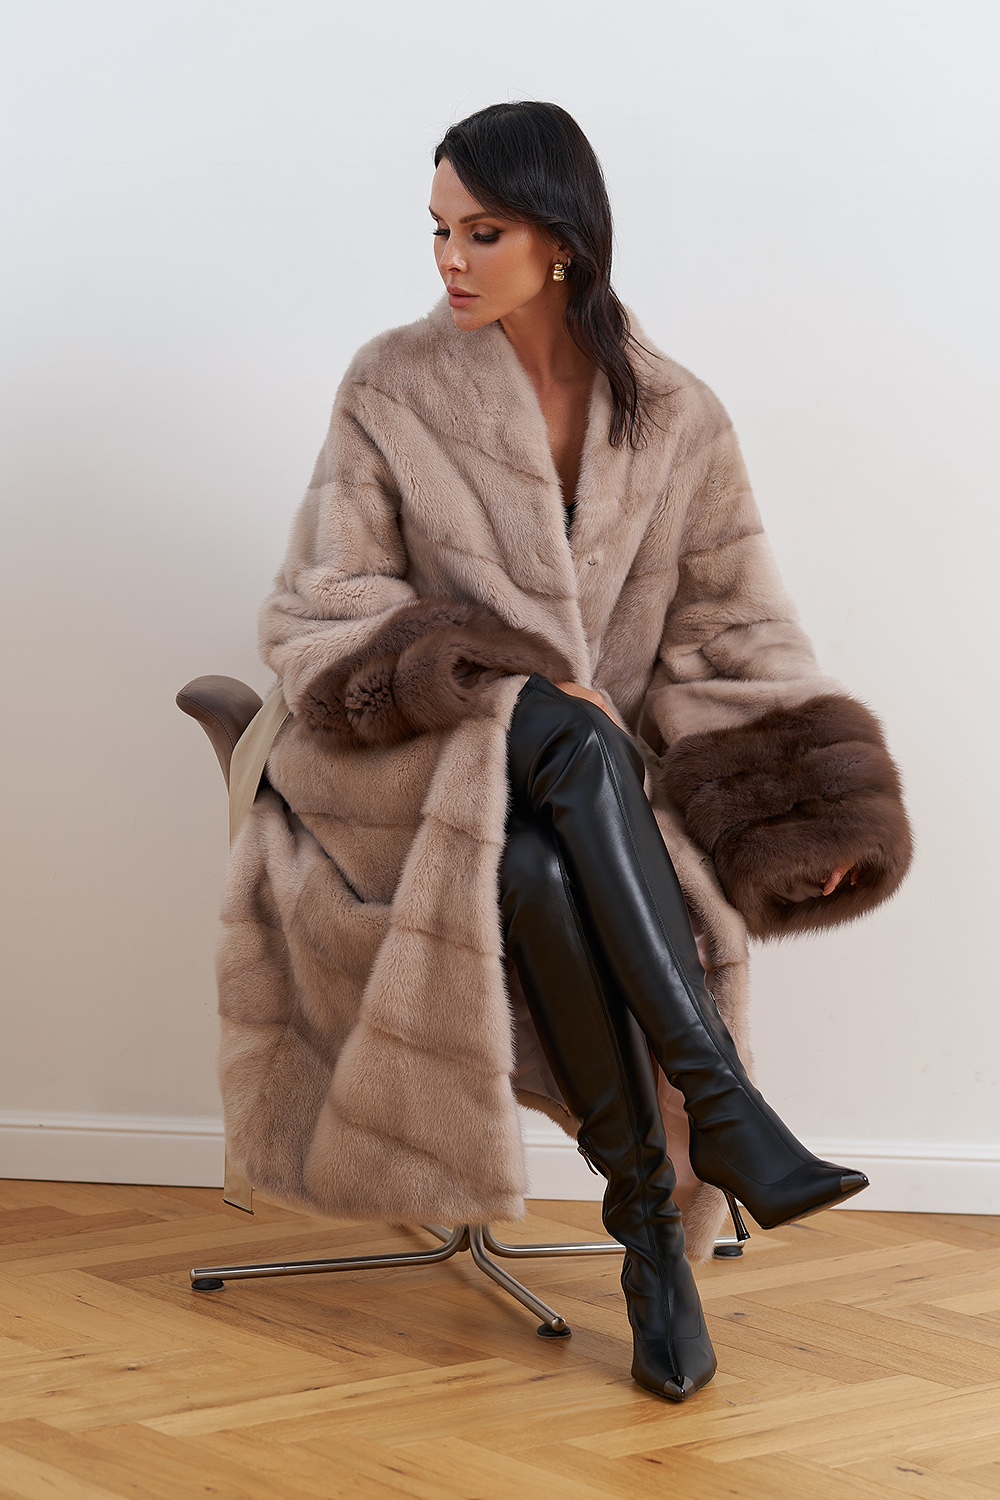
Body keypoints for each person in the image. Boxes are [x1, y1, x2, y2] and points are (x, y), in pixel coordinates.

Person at [217, 101, 913, 1403]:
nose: (450, 258)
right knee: (571, 729)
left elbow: (732, 630)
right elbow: (327, 607)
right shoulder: (391, 384)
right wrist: (507, 676)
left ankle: (650, 1237)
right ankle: (727, 1110)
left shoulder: (678, 417)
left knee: (539, 859)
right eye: (438, 229)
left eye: (482, 231)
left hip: (559, 806)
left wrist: (801, 810)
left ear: (564, 243)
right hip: (390, 755)